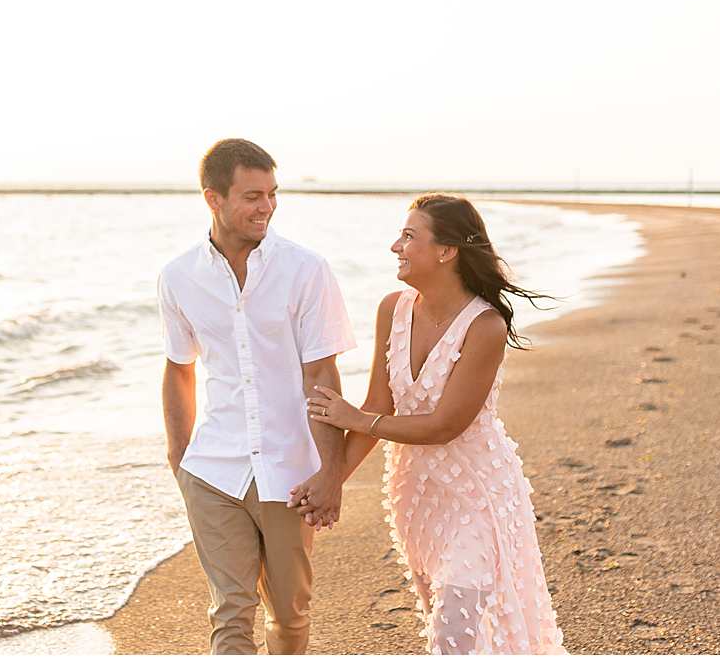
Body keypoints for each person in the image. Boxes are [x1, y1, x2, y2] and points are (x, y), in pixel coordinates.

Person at [300, 195, 563, 656]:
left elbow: (446, 425)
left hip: (478, 495)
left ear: (446, 251)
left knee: (452, 637)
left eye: (408, 236)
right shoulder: (392, 309)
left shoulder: (485, 325)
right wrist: (330, 482)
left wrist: (357, 419)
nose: (394, 246)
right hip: (416, 495)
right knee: (444, 623)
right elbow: (380, 403)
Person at [158, 139, 355, 654]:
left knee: (290, 615)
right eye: (251, 196)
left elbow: (322, 374)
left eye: (271, 194)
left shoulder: (305, 269)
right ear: (213, 199)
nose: (265, 207)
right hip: (212, 470)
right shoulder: (178, 277)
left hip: (290, 472)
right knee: (230, 610)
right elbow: (179, 369)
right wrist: (179, 459)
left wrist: (330, 472)